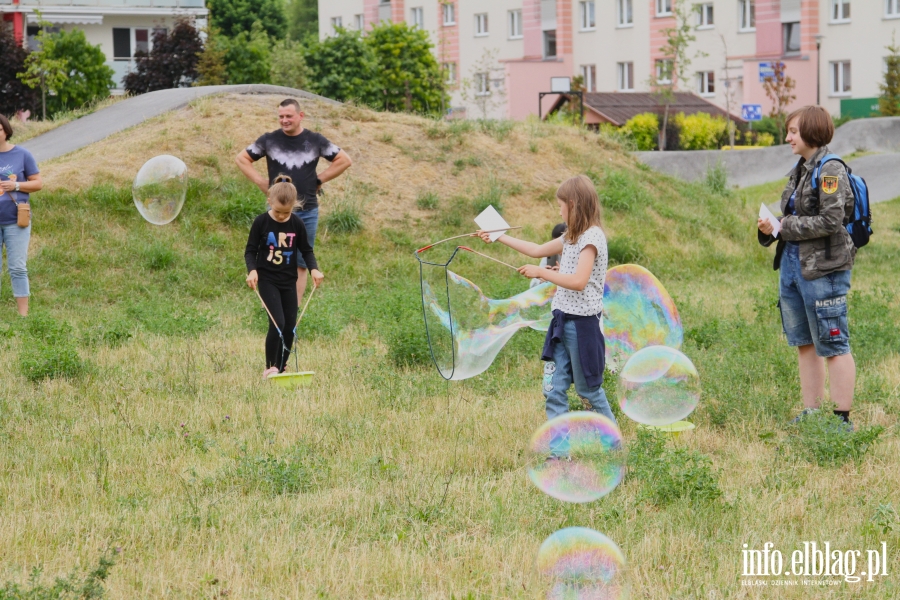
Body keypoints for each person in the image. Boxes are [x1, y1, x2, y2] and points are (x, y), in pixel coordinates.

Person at [479, 175, 615, 425]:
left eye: (561, 205)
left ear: (573, 204)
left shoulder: (592, 237)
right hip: (561, 323)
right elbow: (535, 249)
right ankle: (560, 452)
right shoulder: (571, 237)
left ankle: (615, 449)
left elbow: (579, 281)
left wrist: (542, 272)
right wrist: (498, 235)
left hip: (583, 327)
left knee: (589, 392)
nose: (559, 211)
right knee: (552, 390)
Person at [757, 105, 857, 429]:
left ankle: (842, 420)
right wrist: (771, 226)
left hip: (822, 270)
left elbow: (831, 220)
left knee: (833, 343)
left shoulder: (830, 170)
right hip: (792, 264)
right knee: (804, 342)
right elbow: (792, 214)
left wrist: (785, 226)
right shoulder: (800, 168)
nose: (787, 137)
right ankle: (811, 413)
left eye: (793, 132)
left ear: (812, 132)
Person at [236, 98, 351, 307]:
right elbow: (241, 158)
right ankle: (271, 305)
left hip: (307, 210)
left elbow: (344, 160)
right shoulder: (269, 140)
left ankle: (293, 308)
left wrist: (320, 179)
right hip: (276, 212)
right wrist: (262, 182)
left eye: (289, 116)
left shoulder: (315, 140)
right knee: (271, 257)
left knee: (299, 262)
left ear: (300, 116)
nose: (284, 120)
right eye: (281, 116)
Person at [245, 175, 325, 378]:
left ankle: (282, 366)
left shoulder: (297, 224)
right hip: (268, 280)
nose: (282, 217)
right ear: (269, 201)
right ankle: (270, 367)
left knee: (290, 327)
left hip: (289, 281)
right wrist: (252, 270)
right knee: (278, 323)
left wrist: (314, 269)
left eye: (286, 213)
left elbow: (306, 250)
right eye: (278, 212)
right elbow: (250, 251)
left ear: (294, 206)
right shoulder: (261, 222)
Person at [0, 114, 43, 317]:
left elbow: (38, 183)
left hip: (16, 221)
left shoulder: (22, 154)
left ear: (6, 131)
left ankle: (23, 316)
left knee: (17, 267)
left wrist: (15, 185)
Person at [529, 222, 566, 288]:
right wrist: (543, 277)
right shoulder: (550, 254)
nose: (558, 249)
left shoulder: (578, 256)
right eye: (554, 245)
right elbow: (533, 285)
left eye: (560, 245)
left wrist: (562, 274)